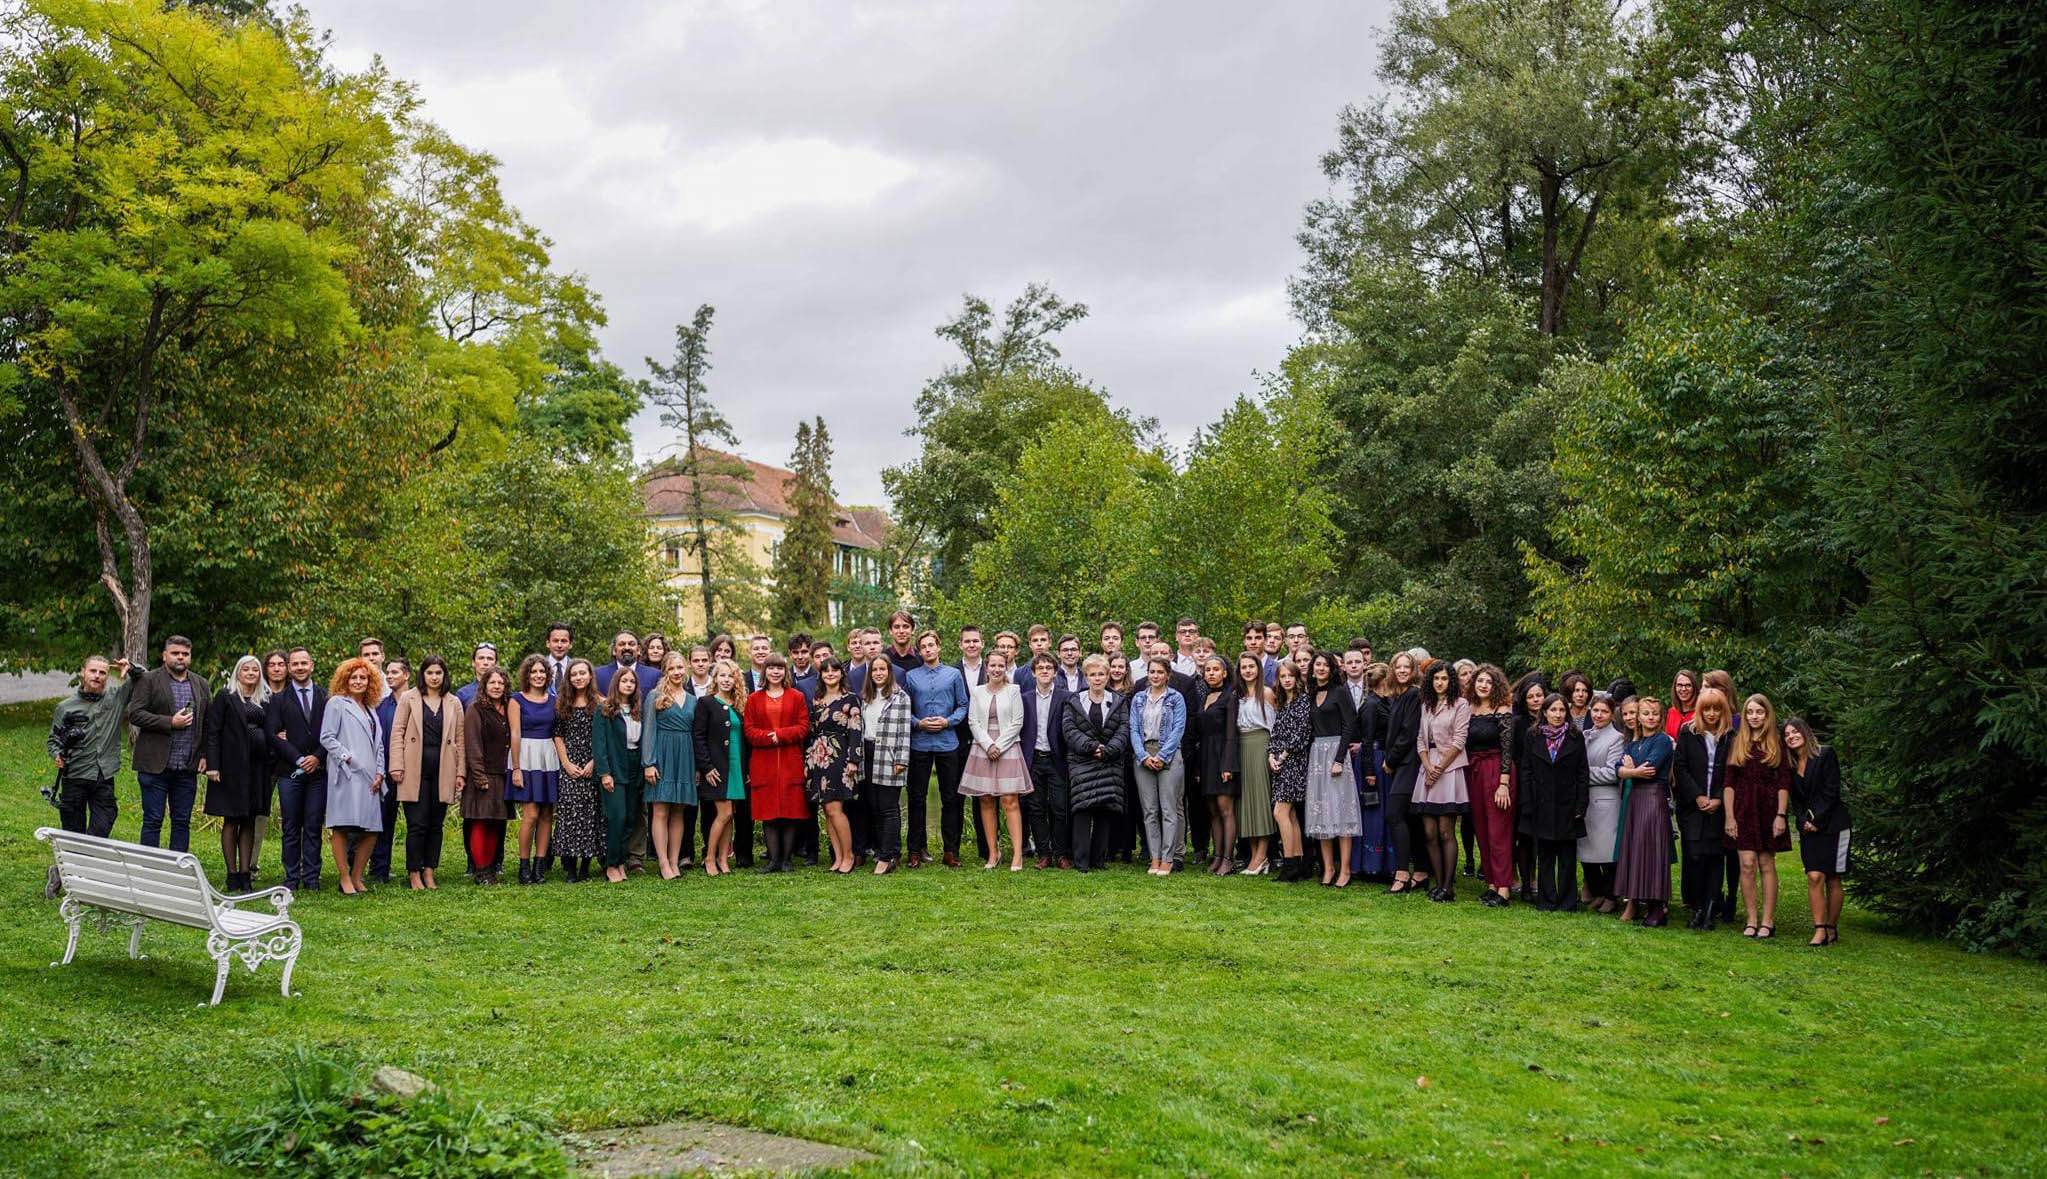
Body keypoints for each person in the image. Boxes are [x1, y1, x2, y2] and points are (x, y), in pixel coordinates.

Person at [126, 634, 209, 852]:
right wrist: (169, 722)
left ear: (190, 657)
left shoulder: (200, 684)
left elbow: (208, 722)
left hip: (186, 767)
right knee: (153, 820)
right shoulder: (149, 680)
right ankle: (149, 869)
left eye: (185, 654)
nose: (180, 658)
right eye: (175, 653)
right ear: (165, 656)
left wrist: (205, 755)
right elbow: (135, 714)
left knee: (181, 822)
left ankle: (176, 869)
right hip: (155, 766)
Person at [1723, 693, 1795, 939]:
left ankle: (1768, 920)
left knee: (1766, 863)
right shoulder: (1737, 741)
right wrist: (1729, 817)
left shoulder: (1777, 742)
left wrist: (1781, 815)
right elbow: (1729, 783)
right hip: (1743, 808)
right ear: (1744, 715)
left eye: (1759, 712)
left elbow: (1785, 781)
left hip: (1768, 808)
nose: (1754, 716)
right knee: (1746, 864)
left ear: (1767, 714)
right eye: (1750, 712)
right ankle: (1751, 919)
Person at [45, 654, 135, 849]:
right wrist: (57, 754)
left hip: (104, 776)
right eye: (93, 671)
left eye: (102, 672)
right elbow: (53, 740)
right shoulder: (65, 707)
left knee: (101, 828)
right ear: (83, 673)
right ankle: (69, 871)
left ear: (107, 676)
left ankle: (83, 864)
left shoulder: (116, 699)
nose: (97, 676)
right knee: (72, 833)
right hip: (74, 775)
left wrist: (131, 667)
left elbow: (139, 679)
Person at [391, 655, 463, 891]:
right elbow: (397, 733)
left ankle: (429, 870)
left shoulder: (453, 702)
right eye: (430, 673)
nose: (434, 677)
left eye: (438, 673)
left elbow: (460, 740)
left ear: (444, 675)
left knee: (436, 824)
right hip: (414, 770)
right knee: (417, 824)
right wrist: (397, 766)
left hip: (443, 770)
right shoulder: (408, 698)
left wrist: (461, 772)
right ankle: (414, 873)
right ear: (422, 675)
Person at [200, 655, 270, 891]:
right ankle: (231, 874)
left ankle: (245, 874)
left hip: (257, 768)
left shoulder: (264, 699)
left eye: (255, 670)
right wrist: (213, 764)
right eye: (246, 669)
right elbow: (213, 731)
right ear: (238, 672)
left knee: (250, 819)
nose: (251, 673)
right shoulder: (225, 697)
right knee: (231, 820)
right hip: (230, 768)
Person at [319, 657, 385, 896]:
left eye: (363, 678)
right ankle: (344, 877)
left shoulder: (371, 710)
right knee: (342, 826)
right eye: (353, 677)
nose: (358, 681)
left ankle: (357, 875)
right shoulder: (337, 703)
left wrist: (380, 771)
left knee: (372, 828)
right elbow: (326, 737)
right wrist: (346, 756)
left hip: (370, 778)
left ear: (370, 682)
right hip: (346, 775)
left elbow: (379, 745)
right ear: (344, 680)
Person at [1517, 692, 1590, 911]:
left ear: (1567, 713)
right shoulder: (1533, 735)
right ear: (1545, 712)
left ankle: (1567, 901)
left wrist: (1581, 805)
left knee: (1567, 856)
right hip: (1541, 803)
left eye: (1561, 710)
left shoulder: (1576, 737)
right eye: (1553, 710)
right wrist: (1527, 803)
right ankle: (1546, 899)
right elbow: (1526, 770)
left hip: (1567, 803)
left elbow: (1582, 774)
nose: (1557, 715)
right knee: (1545, 854)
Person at [903, 631, 969, 867]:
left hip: (947, 742)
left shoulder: (953, 675)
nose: (928, 649)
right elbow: (905, 709)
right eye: (924, 646)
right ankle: (914, 850)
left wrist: (948, 721)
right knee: (917, 798)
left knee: (950, 798)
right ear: (919, 651)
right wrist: (917, 723)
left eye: (932, 645)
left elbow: (963, 705)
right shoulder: (911, 677)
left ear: (939, 647)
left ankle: (951, 851)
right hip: (920, 743)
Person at [1673, 687, 1736, 930]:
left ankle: (1710, 909)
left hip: (1720, 807)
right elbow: (1680, 767)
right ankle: (1698, 907)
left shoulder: (1731, 737)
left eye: (1716, 709)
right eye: (1707, 709)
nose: (1711, 714)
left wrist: (1719, 798)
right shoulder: (1688, 734)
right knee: (1695, 855)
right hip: (1692, 806)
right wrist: (1698, 795)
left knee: (1715, 856)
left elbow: (1734, 771)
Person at [960, 651, 1028, 871]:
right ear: (986, 668)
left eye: (1001, 665)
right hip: (983, 748)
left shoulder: (1014, 690)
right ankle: (993, 852)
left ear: (1006, 668)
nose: (997, 669)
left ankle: (1017, 855)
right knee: (986, 799)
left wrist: (999, 745)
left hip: (1007, 747)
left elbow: (1018, 721)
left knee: (1010, 800)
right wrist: (988, 744)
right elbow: (973, 721)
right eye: (993, 666)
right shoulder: (977, 692)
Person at [1060, 655, 1129, 872]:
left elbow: (1124, 729)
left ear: (1108, 675)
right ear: (1086, 676)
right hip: (1082, 762)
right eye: (1092, 674)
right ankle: (1081, 862)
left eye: (1101, 674)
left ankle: (1099, 860)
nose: (1097, 678)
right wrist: (1092, 747)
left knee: (1104, 811)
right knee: (1082, 811)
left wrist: (1109, 750)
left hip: (1109, 761)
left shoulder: (1118, 700)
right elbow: (1069, 730)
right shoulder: (1074, 700)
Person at [266, 647, 327, 891]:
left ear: (312, 665)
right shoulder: (278, 700)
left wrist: (317, 757)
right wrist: (299, 758)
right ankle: (291, 877)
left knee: (313, 826)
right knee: (291, 827)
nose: (300, 667)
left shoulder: (326, 697)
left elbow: (332, 733)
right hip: (289, 771)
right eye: (295, 664)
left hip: (318, 772)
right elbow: (272, 735)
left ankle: (312, 878)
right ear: (289, 668)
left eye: (304, 663)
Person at [1785, 716, 1850, 947]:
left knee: (1832, 877)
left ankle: (1832, 927)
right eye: (1787, 734)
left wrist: (1816, 818)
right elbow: (1796, 800)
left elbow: (1832, 791)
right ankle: (1819, 928)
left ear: (1805, 732)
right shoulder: (1790, 766)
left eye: (1795, 732)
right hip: (1808, 829)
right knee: (1814, 876)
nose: (1791, 736)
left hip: (1834, 824)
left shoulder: (1825, 754)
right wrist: (1803, 821)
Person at [1613, 692, 1676, 926]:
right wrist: (1630, 770)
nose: (1650, 718)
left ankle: (1657, 907)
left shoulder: (1661, 740)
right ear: (1638, 717)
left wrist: (1631, 770)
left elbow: (1649, 769)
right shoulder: (1634, 743)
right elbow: (1618, 768)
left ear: (1660, 718)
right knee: (1636, 849)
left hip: (1653, 799)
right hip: (1635, 801)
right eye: (1646, 714)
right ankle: (1639, 901)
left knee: (1653, 850)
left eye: (1655, 714)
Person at [742, 653, 809, 872]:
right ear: (765, 671)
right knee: (768, 814)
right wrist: (768, 738)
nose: (775, 672)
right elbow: (749, 731)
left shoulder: (796, 696)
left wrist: (779, 735)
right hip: (764, 762)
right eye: (771, 668)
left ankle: (787, 860)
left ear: (785, 671)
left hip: (790, 761)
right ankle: (772, 860)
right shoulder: (754, 699)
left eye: (779, 668)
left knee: (790, 813)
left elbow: (802, 727)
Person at [1414, 660, 1471, 902]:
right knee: (1429, 831)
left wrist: (1439, 769)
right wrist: (1427, 766)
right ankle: (1437, 883)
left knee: (1446, 830)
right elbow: (1420, 739)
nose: (1440, 683)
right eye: (1436, 678)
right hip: (1427, 766)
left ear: (1451, 681)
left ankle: (1448, 886)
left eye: (1444, 679)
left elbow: (1460, 740)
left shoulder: (1461, 704)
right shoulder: (1426, 705)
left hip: (1449, 767)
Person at [641, 653, 699, 879]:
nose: (677, 672)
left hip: (685, 756)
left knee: (679, 811)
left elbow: (695, 735)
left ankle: (675, 861)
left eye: (680, 668)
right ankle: (663, 862)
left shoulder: (692, 700)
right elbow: (649, 730)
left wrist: (696, 768)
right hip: (662, 756)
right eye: (672, 668)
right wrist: (649, 763)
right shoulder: (655, 696)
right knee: (661, 810)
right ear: (665, 671)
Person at [1305, 651, 1361, 887]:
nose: (1320, 668)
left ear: (1331, 669)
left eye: (1324, 665)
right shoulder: (1310, 694)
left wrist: (1339, 758)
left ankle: (1345, 869)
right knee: (1321, 813)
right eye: (1317, 664)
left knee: (1341, 813)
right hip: (1317, 753)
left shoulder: (1340, 692)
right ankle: (1328, 868)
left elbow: (1350, 725)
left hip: (1337, 752)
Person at [803, 658, 863, 874]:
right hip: (817, 758)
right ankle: (837, 857)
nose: (830, 673)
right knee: (826, 809)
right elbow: (810, 730)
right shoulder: (817, 700)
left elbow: (856, 731)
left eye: (834, 670)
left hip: (839, 756)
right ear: (820, 675)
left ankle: (849, 856)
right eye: (825, 670)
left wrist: (854, 760)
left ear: (841, 673)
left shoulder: (851, 699)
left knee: (836, 809)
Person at [1130, 656, 1188, 878]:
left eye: (1160, 672)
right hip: (1143, 754)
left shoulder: (1176, 698)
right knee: (1150, 811)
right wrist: (1143, 755)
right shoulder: (1138, 699)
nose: (1155, 676)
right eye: (1152, 672)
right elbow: (1134, 729)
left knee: (1168, 809)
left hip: (1170, 755)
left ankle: (1168, 858)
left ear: (1167, 675)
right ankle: (1154, 857)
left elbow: (1178, 729)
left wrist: (1163, 756)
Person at [692, 660, 749, 876]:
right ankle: (709, 857)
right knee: (723, 813)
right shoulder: (706, 702)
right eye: (722, 676)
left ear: (736, 680)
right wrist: (706, 767)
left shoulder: (739, 704)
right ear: (715, 678)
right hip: (717, 767)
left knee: (731, 813)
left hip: (736, 764)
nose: (726, 680)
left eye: (731, 676)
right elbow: (698, 737)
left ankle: (724, 859)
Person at [1465, 664, 1516, 906]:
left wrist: (1503, 783)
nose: (1483, 685)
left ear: (1495, 686)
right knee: (1482, 829)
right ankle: (1491, 884)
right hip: (1474, 771)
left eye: (1488, 682)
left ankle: (1504, 888)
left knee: (1498, 831)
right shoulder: (1469, 709)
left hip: (1497, 771)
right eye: (1480, 681)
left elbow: (1508, 749)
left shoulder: (1502, 709)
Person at [549, 658, 603, 882]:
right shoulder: (563, 704)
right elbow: (558, 736)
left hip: (592, 765)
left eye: (583, 673)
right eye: (574, 674)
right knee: (569, 816)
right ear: (569, 678)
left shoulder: (601, 703)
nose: (579, 677)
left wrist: (594, 762)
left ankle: (585, 867)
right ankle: (570, 868)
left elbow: (604, 738)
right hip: (569, 766)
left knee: (590, 816)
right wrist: (567, 764)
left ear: (590, 676)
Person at [1015, 653, 1070, 869]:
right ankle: (1044, 853)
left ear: (1055, 672)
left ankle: (1061, 853)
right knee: (1036, 808)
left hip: (1057, 759)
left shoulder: (1066, 697)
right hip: (1034, 759)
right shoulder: (1025, 698)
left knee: (1059, 807)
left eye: (1049, 667)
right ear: (1033, 673)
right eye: (1041, 668)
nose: (1045, 671)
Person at [859, 654, 913, 874]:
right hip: (869, 753)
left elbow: (904, 732)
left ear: (889, 672)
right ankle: (887, 850)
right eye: (874, 670)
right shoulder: (867, 697)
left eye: (882, 669)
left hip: (890, 755)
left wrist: (901, 760)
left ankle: (888, 856)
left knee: (889, 808)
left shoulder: (900, 697)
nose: (878, 673)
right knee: (875, 807)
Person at [591, 664, 645, 883]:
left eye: (632, 682)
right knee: (617, 816)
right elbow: (599, 744)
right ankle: (611, 864)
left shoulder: (637, 710)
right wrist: (604, 773)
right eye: (624, 681)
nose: (628, 685)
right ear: (616, 683)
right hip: (614, 767)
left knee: (631, 818)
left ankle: (621, 861)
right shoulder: (604, 709)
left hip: (635, 765)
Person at [1188, 656, 1240, 875]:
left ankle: (1229, 858)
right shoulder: (1206, 696)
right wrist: (1199, 768)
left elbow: (1231, 734)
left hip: (1223, 755)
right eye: (1208, 670)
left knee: (1226, 809)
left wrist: (1227, 765)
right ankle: (1217, 856)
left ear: (1225, 673)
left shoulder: (1231, 696)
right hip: (1206, 756)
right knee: (1212, 811)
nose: (1211, 673)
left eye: (1216, 669)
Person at [460, 668, 512, 885]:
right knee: (481, 822)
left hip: (503, 775)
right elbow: (472, 745)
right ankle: (481, 870)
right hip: (482, 775)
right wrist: (479, 777)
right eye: (492, 683)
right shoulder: (476, 709)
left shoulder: (509, 708)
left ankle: (490, 866)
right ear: (484, 685)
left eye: (500, 683)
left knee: (495, 823)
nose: (497, 686)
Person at [1577, 695, 1626, 912]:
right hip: (1586, 802)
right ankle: (1597, 892)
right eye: (1595, 710)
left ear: (1611, 714)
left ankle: (1611, 895)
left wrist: (1581, 774)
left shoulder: (1617, 738)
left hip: (1606, 802)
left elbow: (1611, 773)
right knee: (1587, 854)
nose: (1598, 715)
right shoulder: (1585, 735)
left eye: (1604, 712)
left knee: (1606, 855)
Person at [1266, 659, 1313, 882]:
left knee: (1280, 812)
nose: (1286, 680)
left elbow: (1302, 734)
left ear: (1297, 678)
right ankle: (1297, 862)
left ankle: (1289, 863)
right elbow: (1275, 734)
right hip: (1280, 762)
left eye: (1290, 676)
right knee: (1290, 814)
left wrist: (1282, 756)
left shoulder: (1303, 701)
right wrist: (1271, 756)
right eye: (1282, 676)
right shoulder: (1283, 704)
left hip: (1295, 762)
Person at [1232, 651, 1277, 875]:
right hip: (1242, 746)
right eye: (1244, 667)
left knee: (1260, 800)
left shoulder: (1267, 693)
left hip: (1261, 744)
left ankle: (1262, 855)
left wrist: (1272, 753)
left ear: (1258, 669)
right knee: (1245, 802)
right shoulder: (1238, 696)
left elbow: (1274, 726)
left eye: (1252, 666)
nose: (1248, 670)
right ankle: (1256, 855)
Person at [367, 658, 409, 884]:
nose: (389, 676)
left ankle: (416, 869)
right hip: (387, 771)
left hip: (413, 771)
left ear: (407, 675)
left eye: (394, 672)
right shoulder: (381, 706)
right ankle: (379, 869)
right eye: (388, 672)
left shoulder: (417, 701)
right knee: (383, 820)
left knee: (416, 823)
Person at [1666, 669, 1700, 738]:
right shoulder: (1672, 712)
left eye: (1688, 685)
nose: (1683, 689)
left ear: (1694, 688)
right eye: (1679, 685)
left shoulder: (1700, 712)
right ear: (1675, 688)